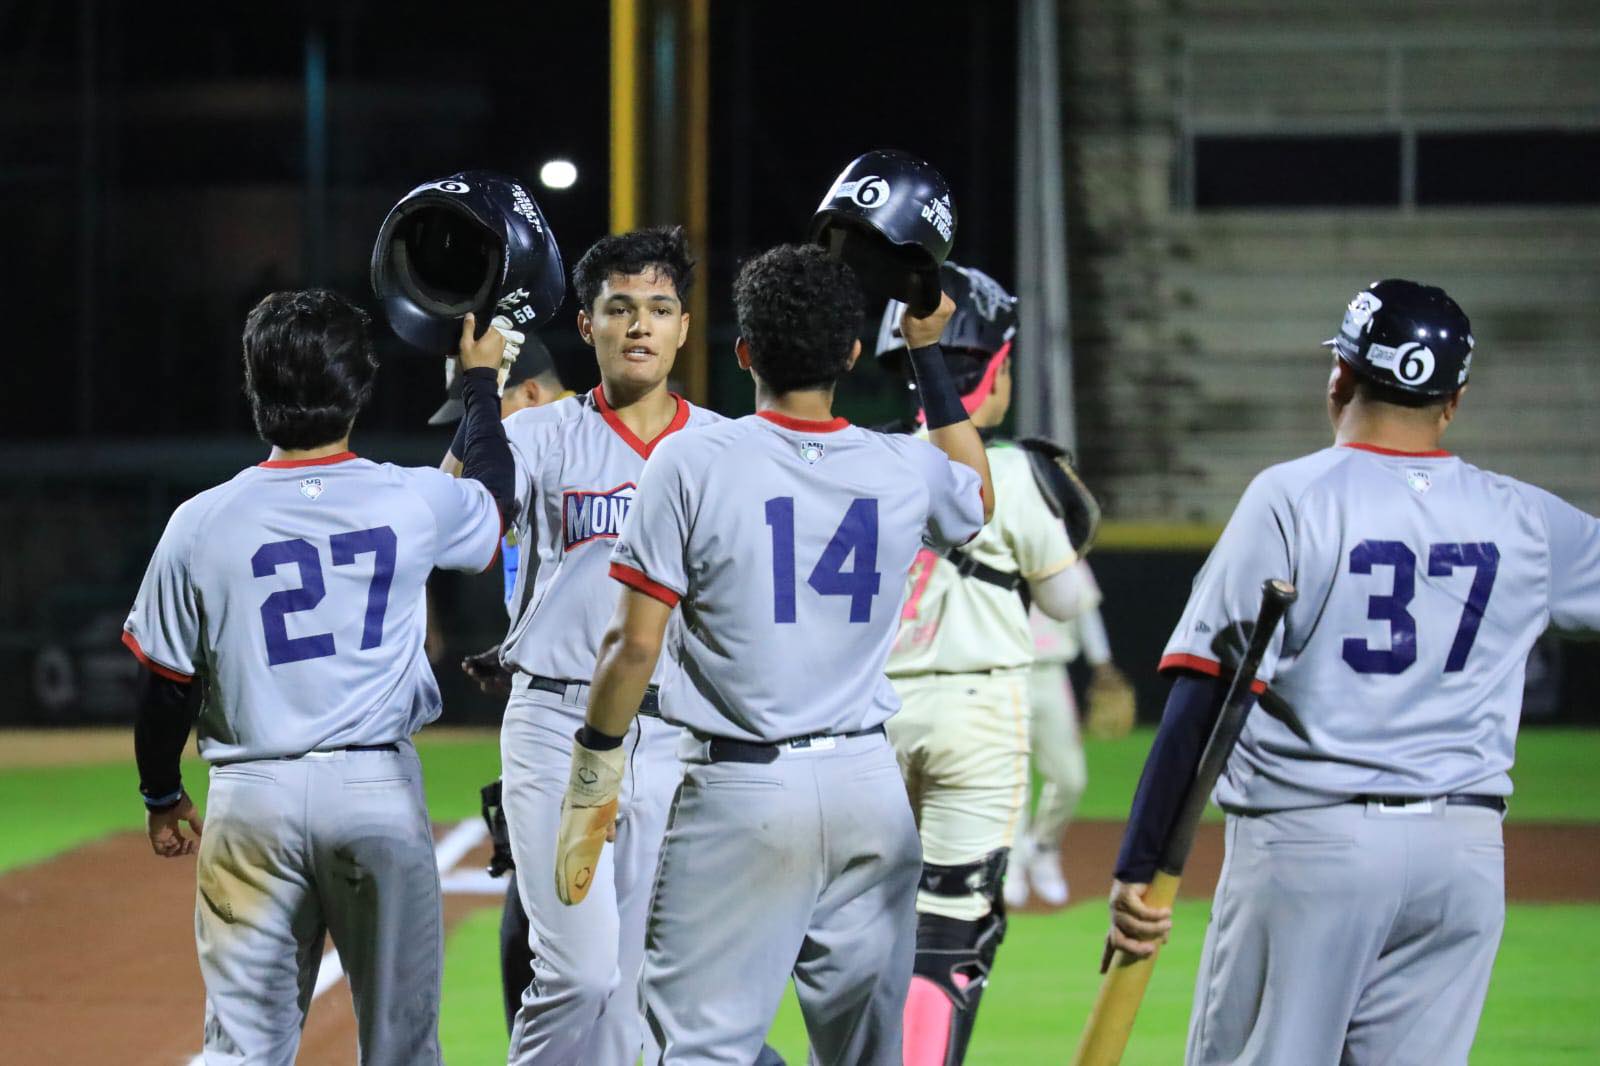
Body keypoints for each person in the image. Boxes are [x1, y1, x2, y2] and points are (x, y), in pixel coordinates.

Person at [1104, 279, 1600, 1065]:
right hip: (1462, 861)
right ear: (1453, 402)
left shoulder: (1292, 496)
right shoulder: (1528, 519)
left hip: (1314, 848)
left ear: (1340, 377)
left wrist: (1140, 865)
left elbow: (1207, 690)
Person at [554, 243, 994, 1064]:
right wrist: (928, 353)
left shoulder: (693, 457)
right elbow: (978, 496)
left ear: (744, 351)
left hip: (743, 791)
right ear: (855, 353)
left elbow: (632, 644)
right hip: (869, 789)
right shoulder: (901, 465)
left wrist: (594, 771)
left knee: (696, 1050)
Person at [125, 290, 516, 1064]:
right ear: (359, 386)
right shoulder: (410, 498)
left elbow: (169, 686)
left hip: (251, 802)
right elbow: (497, 497)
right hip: (376, 793)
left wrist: (162, 794)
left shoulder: (201, 520)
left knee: (242, 1049)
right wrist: (478, 384)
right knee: (401, 1048)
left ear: (255, 385)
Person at [464, 226, 722, 1065]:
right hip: (557, 725)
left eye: (659, 308)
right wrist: (481, 387)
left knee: (635, 988)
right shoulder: (544, 435)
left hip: (679, 733)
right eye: (620, 308)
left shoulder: (722, 447)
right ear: (587, 326)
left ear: (685, 326)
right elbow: (460, 521)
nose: (640, 325)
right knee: (577, 973)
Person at [876, 262, 1084, 1065]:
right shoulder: (1020, 473)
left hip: (873, 715)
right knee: (955, 924)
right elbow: (1064, 604)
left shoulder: (872, 456)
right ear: (992, 372)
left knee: (866, 916)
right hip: (980, 713)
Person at [431, 333, 576, 1034]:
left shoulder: (580, 447)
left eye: (485, 414)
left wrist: (480, 395)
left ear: (527, 396)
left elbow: (451, 500)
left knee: (607, 968)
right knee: (532, 945)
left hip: (626, 739)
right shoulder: (541, 454)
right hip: (549, 722)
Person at [1006, 562, 1134, 909]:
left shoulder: (1064, 547)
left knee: (1070, 777)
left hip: (1051, 674)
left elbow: (1085, 611)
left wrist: (1102, 664)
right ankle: (1013, 864)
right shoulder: (994, 537)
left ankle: (1043, 846)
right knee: (1012, 776)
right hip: (1003, 674)